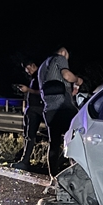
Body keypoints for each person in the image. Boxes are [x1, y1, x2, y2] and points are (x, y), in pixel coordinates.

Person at [37, 47, 84, 175]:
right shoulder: (60, 58)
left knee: (54, 143)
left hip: (49, 111)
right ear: (64, 51)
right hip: (64, 108)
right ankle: (76, 173)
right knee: (77, 138)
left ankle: (53, 175)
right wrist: (77, 80)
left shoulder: (42, 67)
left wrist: (71, 89)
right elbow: (67, 75)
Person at [12, 61, 43, 171]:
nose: (28, 72)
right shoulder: (35, 77)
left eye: (28, 69)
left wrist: (28, 90)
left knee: (30, 135)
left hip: (37, 109)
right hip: (32, 109)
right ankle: (24, 160)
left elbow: (42, 92)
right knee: (27, 135)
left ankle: (25, 161)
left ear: (34, 65)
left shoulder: (42, 75)